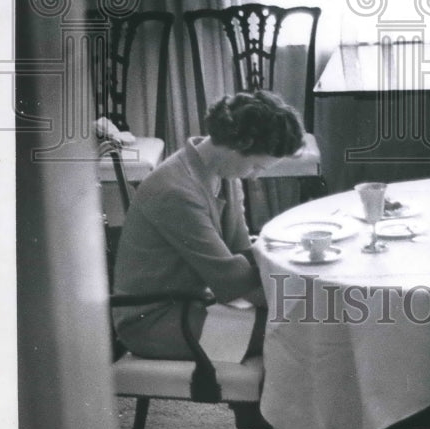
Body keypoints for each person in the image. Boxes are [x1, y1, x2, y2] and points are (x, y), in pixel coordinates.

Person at [112, 90, 304, 361]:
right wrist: (297, 297)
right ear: (241, 144)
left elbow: (240, 250)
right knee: (298, 329)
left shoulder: (222, 173)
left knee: (300, 320)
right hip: (151, 321)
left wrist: (290, 270)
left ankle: (260, 401)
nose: (255, 176)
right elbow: (233, 281)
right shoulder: (175, 191)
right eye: (257, 166)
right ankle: (260, 402)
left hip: (193, 301)